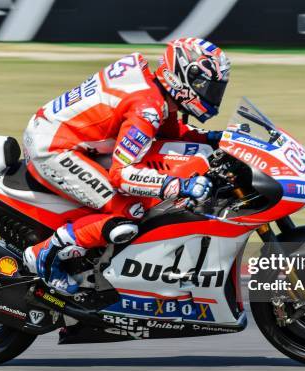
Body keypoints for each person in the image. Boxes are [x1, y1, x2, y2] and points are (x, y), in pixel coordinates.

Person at [22, 38, 231, 295]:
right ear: (181, 77)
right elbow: (122, 175)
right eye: (204, 86)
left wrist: (212, 138)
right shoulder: (147, 107)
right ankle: (45, 253)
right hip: (54, 148)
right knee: (130, 212)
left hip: (65, 135)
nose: (210, 94)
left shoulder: (155, 92)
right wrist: (178, 185)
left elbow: (168, 130)